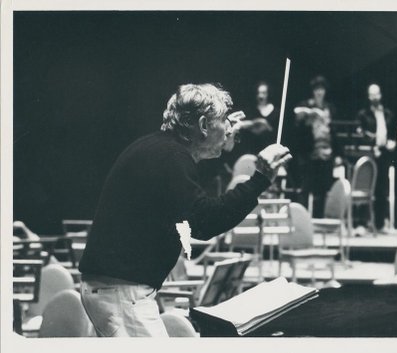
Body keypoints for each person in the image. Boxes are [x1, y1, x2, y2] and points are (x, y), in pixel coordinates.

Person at [78, 83, 292, 337]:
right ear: (203, 125)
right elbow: (204, 222)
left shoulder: (161, 150)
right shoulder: (170, 158)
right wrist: (261, 179)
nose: (230, 127)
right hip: (122, 292)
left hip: (112, 289)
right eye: (224, 120)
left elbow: (191, 198)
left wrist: (221, 134)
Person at [293, 75, 338, 217]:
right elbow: (297, 124)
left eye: (322, 89)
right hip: (309, 152)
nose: (319, 92)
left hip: (326, 152)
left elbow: (334, 132)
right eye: (317, 89)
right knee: (305, 188)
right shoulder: (306, 105)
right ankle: (303, 220)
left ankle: (319, 219)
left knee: (323, 189)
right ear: (313, 91)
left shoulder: (329, 108)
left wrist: (337, 154)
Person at [356, 83, 396, 232]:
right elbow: (361, 133)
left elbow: (391, 132)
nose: (374, 97)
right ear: (368, 96)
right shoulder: (363, 114)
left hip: (384, 154)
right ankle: (362, 223)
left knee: (382, 189)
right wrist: (374, 140)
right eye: (371, 94)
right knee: (365, 187)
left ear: (380, 95)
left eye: (377, 94)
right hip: (369, 153)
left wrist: (391, 142)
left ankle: (381, 223)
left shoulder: (388, 113)